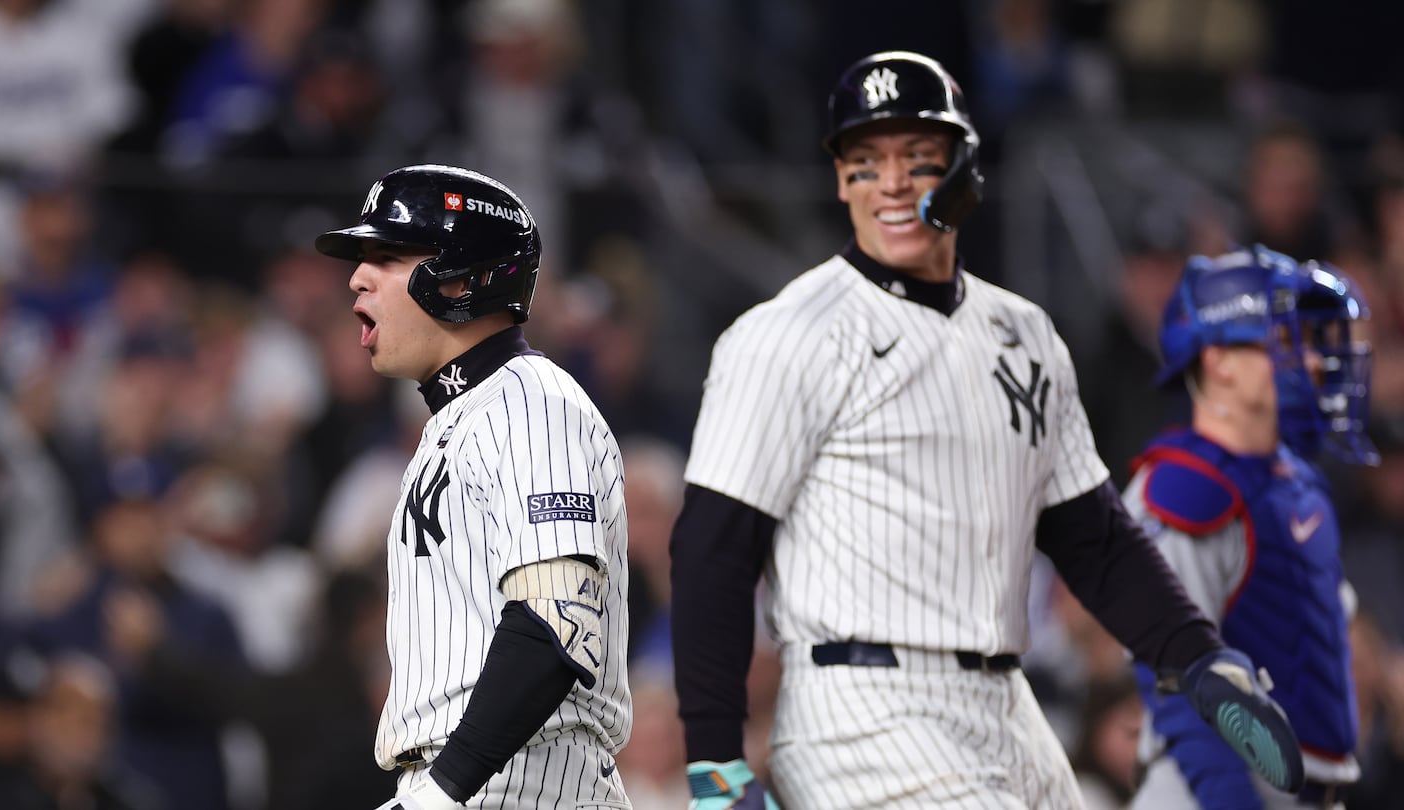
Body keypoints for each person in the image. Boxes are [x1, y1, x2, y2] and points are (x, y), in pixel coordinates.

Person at [668, 50, 1303, 809]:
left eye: (917, 158)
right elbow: (713, 549)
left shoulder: (1024, 331)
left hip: (1007, 700)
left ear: (965, 168)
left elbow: (1091, 536)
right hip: (863, 713)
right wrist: (713, 757)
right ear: (841, 182)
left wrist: (1197, 654)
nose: (892, 183)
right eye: (866, 162)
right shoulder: (785, 334)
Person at [313, 164, 632, 809]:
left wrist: (443, 789)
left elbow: (558, 624)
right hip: (479, 780)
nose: (357, 277)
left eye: (389, 255)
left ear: (462, 279)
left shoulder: (530, 401)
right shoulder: (464, 417)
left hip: (526, 782)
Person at [1124, 248, 1376, 810]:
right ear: (1219, 361)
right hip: (1214, 789)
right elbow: (1176, 680)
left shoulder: (1296, 480)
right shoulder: (1182, 488)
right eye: (1286, 343)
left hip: (1310, 790)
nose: (1312, 362)